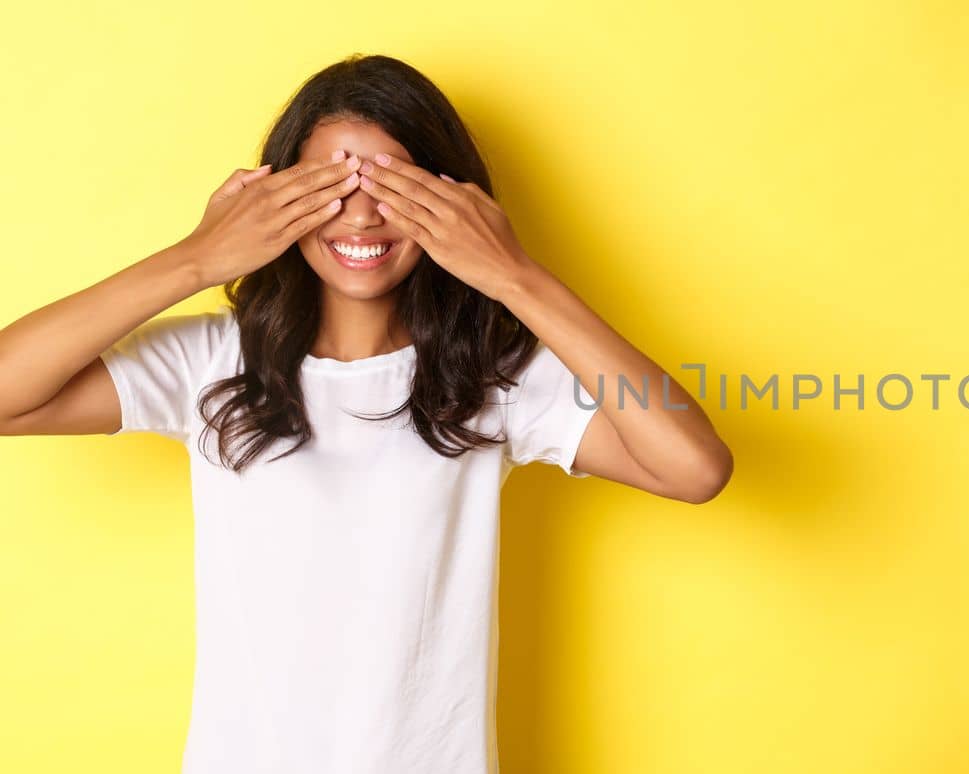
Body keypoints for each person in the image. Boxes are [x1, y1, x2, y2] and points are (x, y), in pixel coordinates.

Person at [0, 54, 733, 773]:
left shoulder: (491, 378)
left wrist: (514, 274)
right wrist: (198, 258)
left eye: (395, 185)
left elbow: (695, 467)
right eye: (332, 184)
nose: (362, 214)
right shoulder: (211, 363)